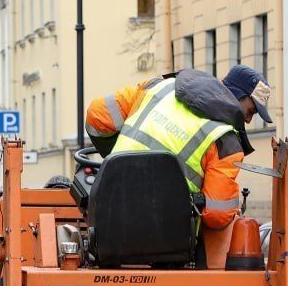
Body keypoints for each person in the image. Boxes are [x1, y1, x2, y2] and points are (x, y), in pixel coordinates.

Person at [110, 64, 274, 269]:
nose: (248, 120)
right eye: (250, 111)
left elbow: (98, 114)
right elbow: (217, 215)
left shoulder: (160, 87)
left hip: (110, 222)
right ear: (236, 95)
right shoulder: (225, 141)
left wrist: (113, 158)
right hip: (165, 241)